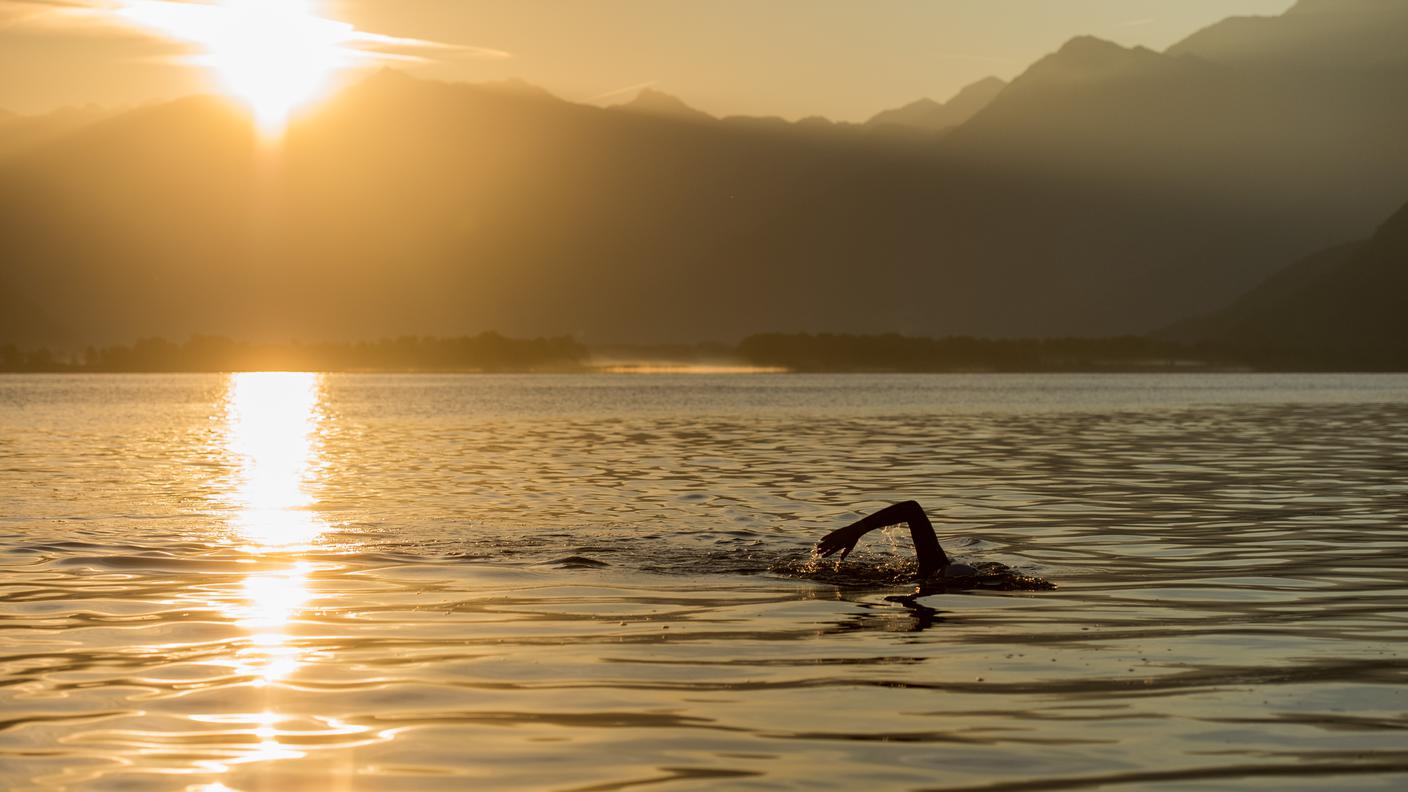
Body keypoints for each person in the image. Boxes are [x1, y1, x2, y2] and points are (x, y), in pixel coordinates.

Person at [815, 500, 976, 579]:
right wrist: (856, 530)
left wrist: (856, 530)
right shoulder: (935, 566)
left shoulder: (933, 568)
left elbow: (912, 510)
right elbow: (912, 509)